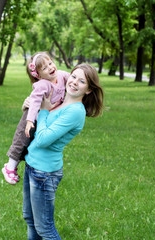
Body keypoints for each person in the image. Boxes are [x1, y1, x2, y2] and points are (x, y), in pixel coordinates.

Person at [22, 63, 104, 239]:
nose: (74, 82)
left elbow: (43, 140)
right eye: (73, 76)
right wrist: (29, 106)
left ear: (88, 90)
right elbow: (34, 127)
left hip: (44, 173)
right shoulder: (59, 102)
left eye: (82, 81)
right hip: (32, 165)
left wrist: (43, 111)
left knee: (44, 227)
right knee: (30, 219)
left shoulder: (75, 112)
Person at [2, 52, 70, 185]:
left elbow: (73, 78)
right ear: (38, 75)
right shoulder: (42, 85)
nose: (50, 67)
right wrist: (29, 121)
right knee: (22, 139)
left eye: (50, 63)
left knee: (32, 144)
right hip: (33, 116)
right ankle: (10, 167)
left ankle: (21, 166)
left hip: (45, 117)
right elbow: (33, 104)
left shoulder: (61, 75)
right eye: (44, 68)